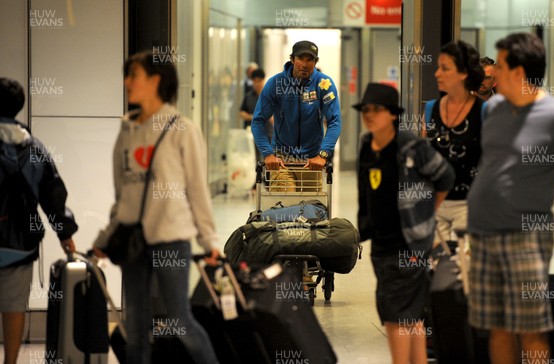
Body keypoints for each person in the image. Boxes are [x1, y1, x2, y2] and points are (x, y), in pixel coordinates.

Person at [467, 32, 554, 363]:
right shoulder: (494, 108)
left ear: (520, 72)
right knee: (497, 327)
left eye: (500, 65)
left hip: (526, 236)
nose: (493, 73)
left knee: (530, 328)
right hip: (483, 233)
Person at [92, 51, 220, 364]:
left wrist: (210, 241)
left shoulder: (182, 128)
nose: (127, 83)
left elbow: (197, 189)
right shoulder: (126, 132)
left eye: (133, 75)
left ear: (155, 80)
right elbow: (123, 196)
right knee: (135, 327)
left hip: (171, 237)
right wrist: (105, 237)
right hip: (134, 241)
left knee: (180, 319)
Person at [356, 83, 455, 364]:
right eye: (366, 109)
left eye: (377, 110)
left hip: (409, 242)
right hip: (381, 242)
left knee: (395, 315)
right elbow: (366, 190)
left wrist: (427, 210)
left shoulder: (411, 145)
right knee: (411, 314)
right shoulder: (367, 144)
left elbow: (445, 176)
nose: (369, 115)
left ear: (393, 115)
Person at [0, 77, 77, 364]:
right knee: (14, 306)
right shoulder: (34, 147)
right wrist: (65, 235)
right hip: (19, 245)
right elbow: (52, 194)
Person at [251, 40, 341, 191]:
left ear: (316, 61)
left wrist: (323, 155)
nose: (305, 64)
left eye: (310, 59)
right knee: (286, 207)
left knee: (310, 210)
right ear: (292, 59)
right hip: (282, 160)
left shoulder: (324, 84)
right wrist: (267, 154)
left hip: (312, 160)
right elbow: (258, 121)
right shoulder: (276, 84)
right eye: (300, 58)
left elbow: (335, 121)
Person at [425, 41, 485, 245]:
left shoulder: (484, 111)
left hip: (470, 205)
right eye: (437, 67)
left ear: (464, 73)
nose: (437, 74)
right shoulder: (430, 109)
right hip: (436, 204)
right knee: (433, 271)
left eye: (445, 68)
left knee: (465, 272)